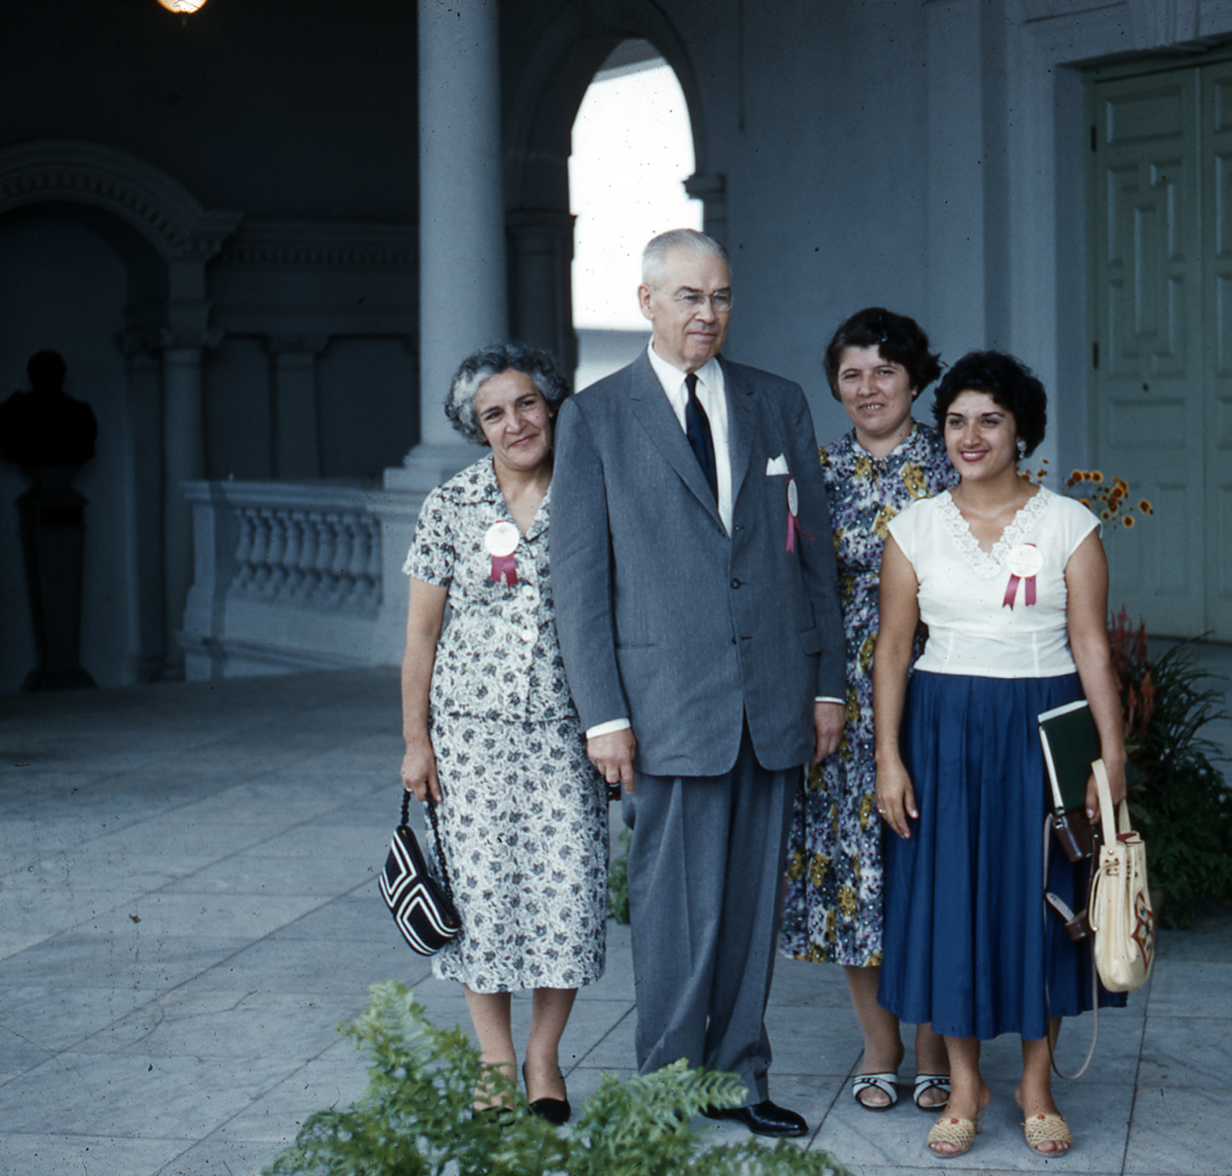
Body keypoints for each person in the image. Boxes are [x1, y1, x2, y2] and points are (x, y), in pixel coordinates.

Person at [551, 229, 845, 1139]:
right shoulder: (595, 417)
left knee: (752, 906)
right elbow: (579, 584)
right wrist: (603, 715)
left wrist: (827, 687)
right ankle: (664, 1088)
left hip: (772, 694)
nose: (708, 314)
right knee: (675, 908)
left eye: (720, 297)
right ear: (647, 302)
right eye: (689, 297)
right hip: (664, 703)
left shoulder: (777, 401)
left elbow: (813, 557)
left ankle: (740, 1077)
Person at [873, 350, 1128, 1160]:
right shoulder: (913, 528)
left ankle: (1036, 1084)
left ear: (1022, 430)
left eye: (990, 420)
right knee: (954, 902)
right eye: (956, 421)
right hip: (943, 730)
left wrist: (1111, 754)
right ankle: (965, 1085)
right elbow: (892, 651)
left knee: (1044, 901)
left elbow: (1091, 645)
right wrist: (888, 757)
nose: (971, 436)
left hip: (1045, 727)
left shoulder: (1069, 524)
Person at [398, 342, 606, 1126]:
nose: (515, 423)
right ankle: (494, 1061)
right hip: (469, 740)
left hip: (567, 735)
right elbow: (421, 636)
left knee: (567, 896)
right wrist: (416, 741)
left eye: (526, 404)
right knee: (481, 900)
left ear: (551, 406)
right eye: (494, 414)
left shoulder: (590, 493)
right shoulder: (451, 505)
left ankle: (543, 1058)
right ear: (475, 428)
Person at [778, 307, 956, 1113]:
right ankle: (880, 1046)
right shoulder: (813, 475)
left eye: (885, 370)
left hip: (940, 683)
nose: (868, 387)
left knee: (933, 866)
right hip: (841, 701)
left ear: (915, 380)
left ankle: (936, 1045)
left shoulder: (951, 464)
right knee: (856, 870)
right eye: (851, 374)